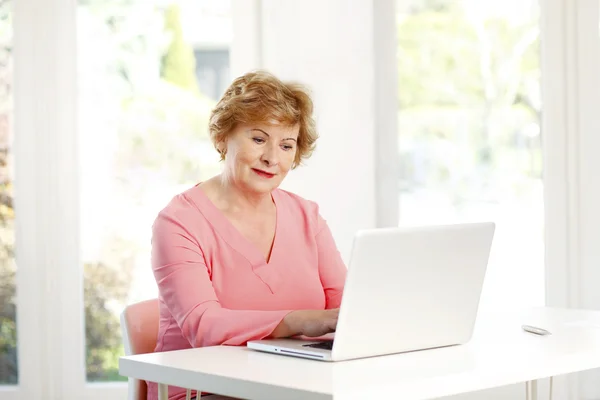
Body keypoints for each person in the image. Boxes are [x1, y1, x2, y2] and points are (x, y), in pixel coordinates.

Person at [148, 70, 347, 400]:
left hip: (294, 386)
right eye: (258, 139)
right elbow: (204, 326)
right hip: (202, 391)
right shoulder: (178, 222)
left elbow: (345, 309)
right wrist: (298, 321)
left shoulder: (307, 216)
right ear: (223, 137)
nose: (272, 158)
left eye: (286, 145)